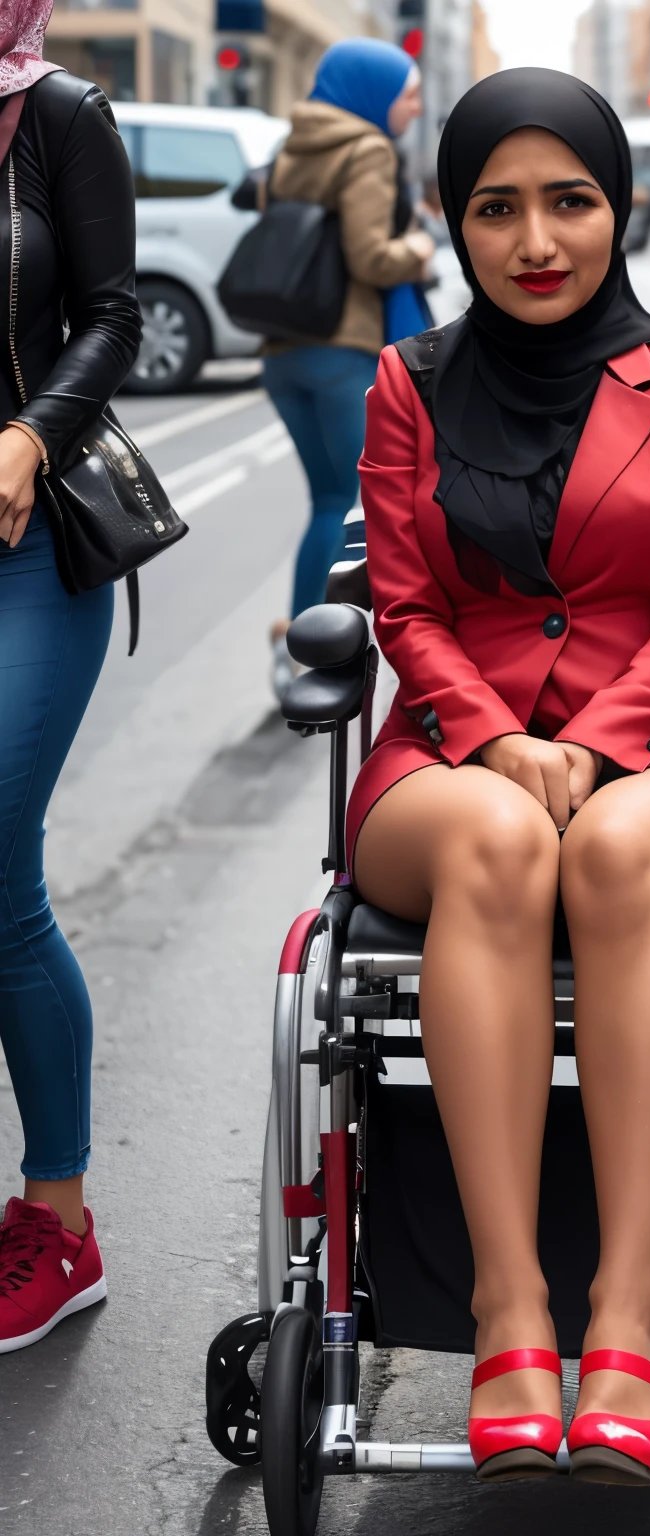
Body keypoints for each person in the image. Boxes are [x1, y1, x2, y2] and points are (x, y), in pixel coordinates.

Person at [349, 68, 650, 1484]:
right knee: (502, 845)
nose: (538, 240)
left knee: (613, 851)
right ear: (454, 225)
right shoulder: (404, 385)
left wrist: (593, 742)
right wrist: (494, 737)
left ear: (618, 207)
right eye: (498, 207)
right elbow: (402, 609)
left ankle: (630, 1317)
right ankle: (509, 1305)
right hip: (451, 751)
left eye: (570, 202)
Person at [0, 5, 142, 1352]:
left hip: (26, 549)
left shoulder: (57, 117)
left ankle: (59, 1218)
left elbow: (116, 318)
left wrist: (33, 433)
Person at [265, 38, 434, 696]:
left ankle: (304, 637)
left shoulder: (294, 143)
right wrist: (417, 247)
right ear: (375, 93)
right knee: (354, 504)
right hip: (343, 348)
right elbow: (370, 257)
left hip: (285, 351)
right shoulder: (367, 150)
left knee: (327, 499)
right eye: (409, 94)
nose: (416, 107)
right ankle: (316, 644)